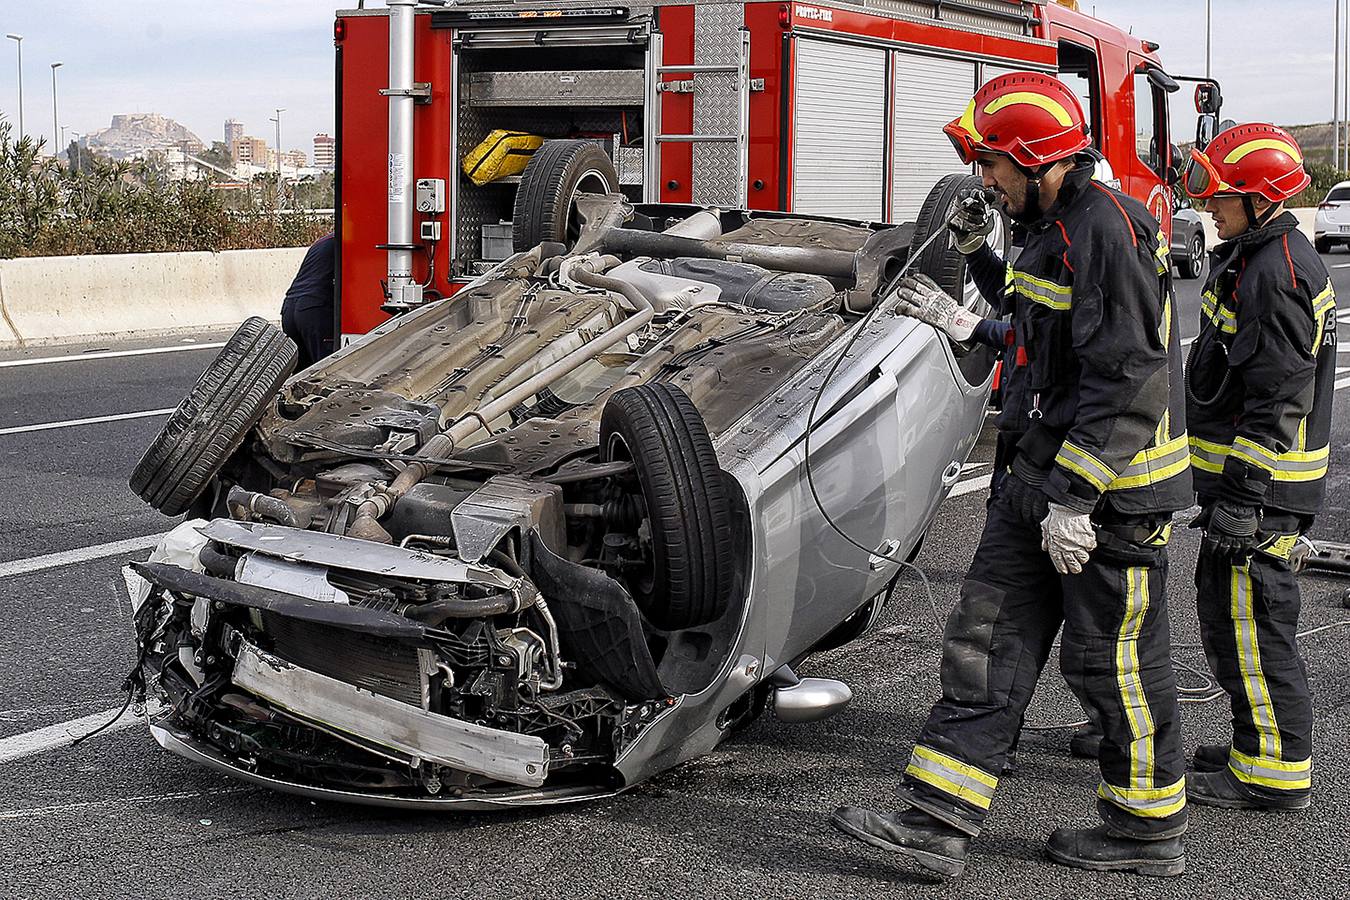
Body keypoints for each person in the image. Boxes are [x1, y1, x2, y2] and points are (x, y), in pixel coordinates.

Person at [832, 72, 1193, 878]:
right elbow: (1040, 327)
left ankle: (1145, 829)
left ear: (1038, 160)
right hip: (1037, 478)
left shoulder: (1109, 230)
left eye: (992, 164)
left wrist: (1076, 498)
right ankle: (937, 820)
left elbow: (1129, 375)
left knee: (1113, 664)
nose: (983, 180)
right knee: (987, 641)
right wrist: (974, 268)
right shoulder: (1048, 225)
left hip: (1107, 500)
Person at [1181, 124, 1336, 810]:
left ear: (1262, 200)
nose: (1210, 207)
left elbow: (1275, 398)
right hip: (1251, 487)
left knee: (1253, 627)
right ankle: (1257, 744)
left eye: (1222, 196)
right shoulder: (1259, 252)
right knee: (1230, 619)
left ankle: (1272, 773)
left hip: (1264, 490)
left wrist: (1242, 495)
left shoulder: (1277, 273)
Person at [280, 232, 337, 370]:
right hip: (314, 310)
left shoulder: (322, 241)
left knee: (302, 374)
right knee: (326, 371)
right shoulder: (344, 242)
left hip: (289, 308)